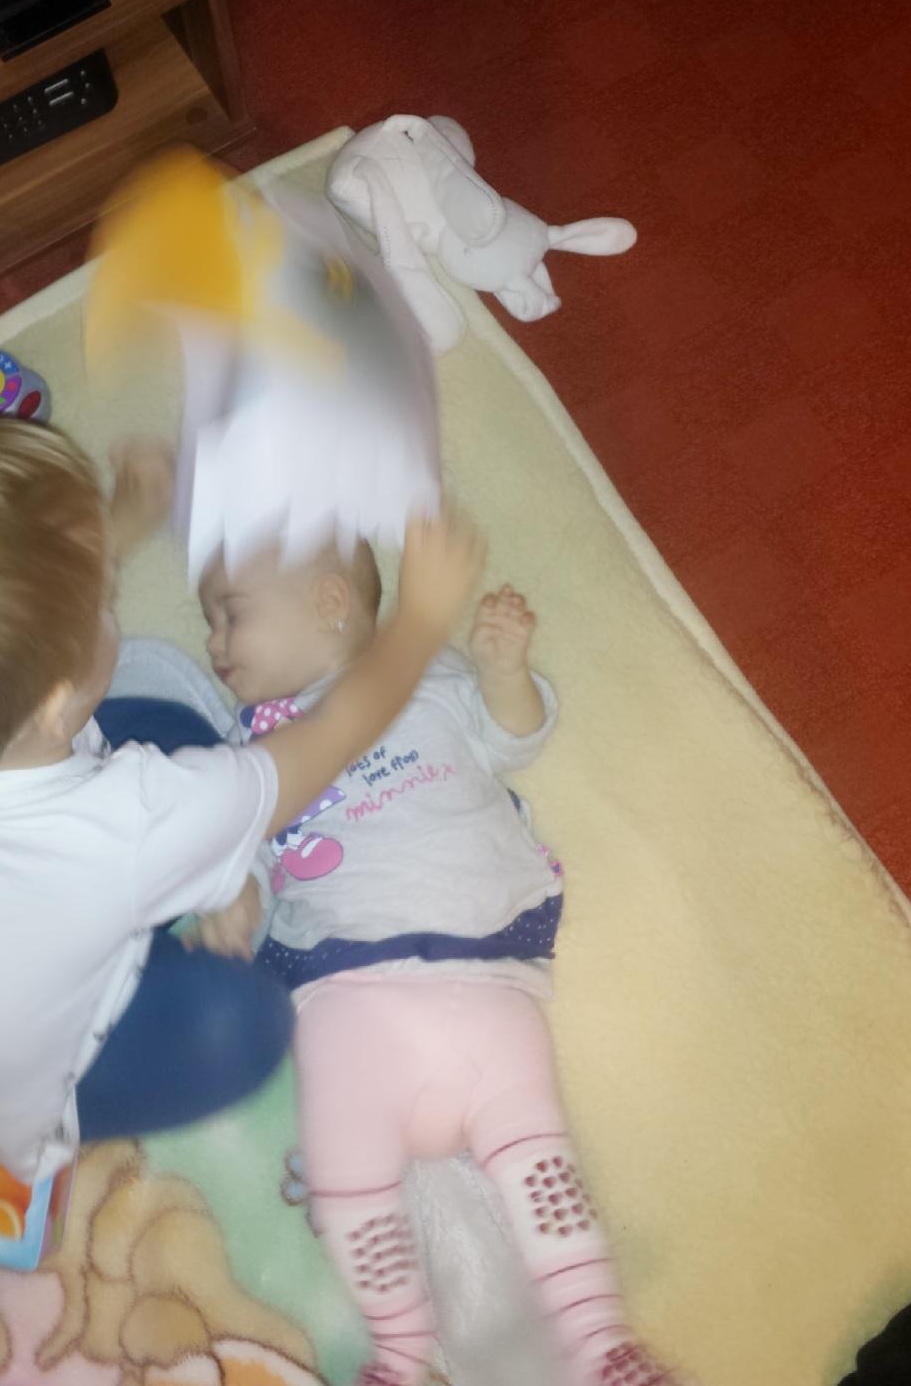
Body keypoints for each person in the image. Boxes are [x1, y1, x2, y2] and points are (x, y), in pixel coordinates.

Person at [0, 416, 483, 1183]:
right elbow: (327, 738)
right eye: (100, 600)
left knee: (176, 735)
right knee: (243, 1021)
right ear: (53, 702)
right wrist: (418, 625)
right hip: (17, 1096)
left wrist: (125, 518)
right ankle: (156, 941)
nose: (110, 595)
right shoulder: (126, 821)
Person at [197, 543, 684, 1386]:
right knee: (350, 1181)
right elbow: (244, 851)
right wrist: (234, 893)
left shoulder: (428, 676)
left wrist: (504, 672)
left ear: (329, 602)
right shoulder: (253, 752)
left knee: (540, 1167)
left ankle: (601, 1343)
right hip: (349, 994)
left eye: (229, 614)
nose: (212, 642)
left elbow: (513, 734)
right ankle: (399, 1352)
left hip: (484, 972)